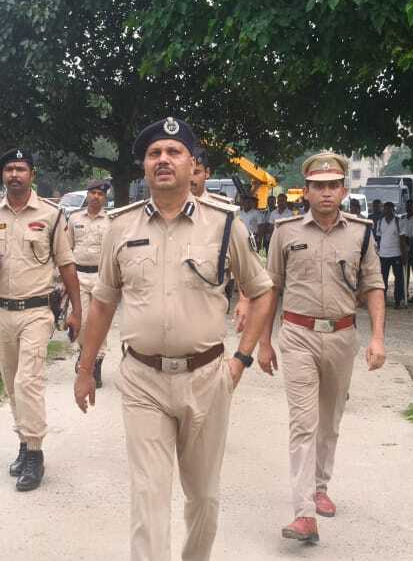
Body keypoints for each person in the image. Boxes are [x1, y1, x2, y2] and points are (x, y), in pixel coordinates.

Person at [73, 116, 274, 561]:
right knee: (148, 497)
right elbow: (103, 304)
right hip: (142, 379)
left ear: (191, 163)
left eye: (173, 152)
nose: (163, 159)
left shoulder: (225, 225)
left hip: (206, 379)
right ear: (145, 166)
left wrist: (240, 360)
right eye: (154, 154)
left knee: (203, 496)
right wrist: (85, 369)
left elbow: (261, 292)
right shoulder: (121, 227)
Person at [256, 151, 387, 543]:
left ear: (344, 190)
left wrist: (377, 338)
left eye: (333, 185)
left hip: (342, 336)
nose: (326, 192)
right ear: (306, 191)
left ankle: (320, 487)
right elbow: (270, 288)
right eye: (318, 186)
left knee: (329, 421)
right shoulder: (285, 232)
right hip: (298, 335)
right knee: (303, 422)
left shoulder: (361, 233)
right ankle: (303, 513)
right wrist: (263, 342)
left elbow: (374, 286)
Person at [0, 148, 82, 492]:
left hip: (36, 311)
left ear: (32, 175)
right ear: (2, 175)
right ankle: (23, 442)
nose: (14, 174)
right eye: (9, 169)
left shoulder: (51, 214)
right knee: (11, 383)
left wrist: (77, 311)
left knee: (28, 382)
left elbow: (66, 264)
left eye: (20, 169)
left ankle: (35, 453)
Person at [69, 178, 112, 389]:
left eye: (100, 194)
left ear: (105, 197)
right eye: (93, 193)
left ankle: (97, 364)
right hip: (78, 276)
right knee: (82, 321)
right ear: (87, 195)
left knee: (99, 323)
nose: (96, 197)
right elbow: (67, 248)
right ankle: (84, 353)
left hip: (101, 277)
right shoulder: (74, 218)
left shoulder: (111, 221)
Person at [373, 200, 409, 308]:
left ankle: (398, 300)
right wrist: (377, 252)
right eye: (385, 209)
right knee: (382, 279)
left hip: (396, 254)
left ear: (393, 210)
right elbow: (378, 238)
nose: (387, 211)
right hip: (383, 255)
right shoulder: (380, 222)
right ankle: (382, 299)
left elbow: (402, 240)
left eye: (389, 209)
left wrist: (404, 255)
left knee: (398, 279)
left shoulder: (399, 221)